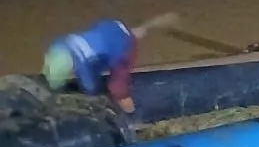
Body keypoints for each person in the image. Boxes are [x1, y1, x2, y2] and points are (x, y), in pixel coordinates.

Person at [42, 13, 180, 116]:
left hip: (120, 47)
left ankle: (131, 115)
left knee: (116, 86)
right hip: (108, 30)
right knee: (95, 75)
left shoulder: (82, 62)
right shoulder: (59, 44)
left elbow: (90, 87)